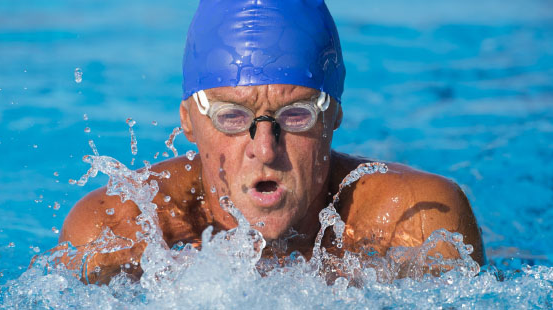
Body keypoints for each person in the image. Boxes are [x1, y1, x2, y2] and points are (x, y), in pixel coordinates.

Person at [57, 0, 485, 284]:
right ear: (188, 121)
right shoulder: (117, 229)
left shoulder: (417, 220)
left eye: (295, 115)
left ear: (334, 115)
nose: (264, 148)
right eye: (231, 116)